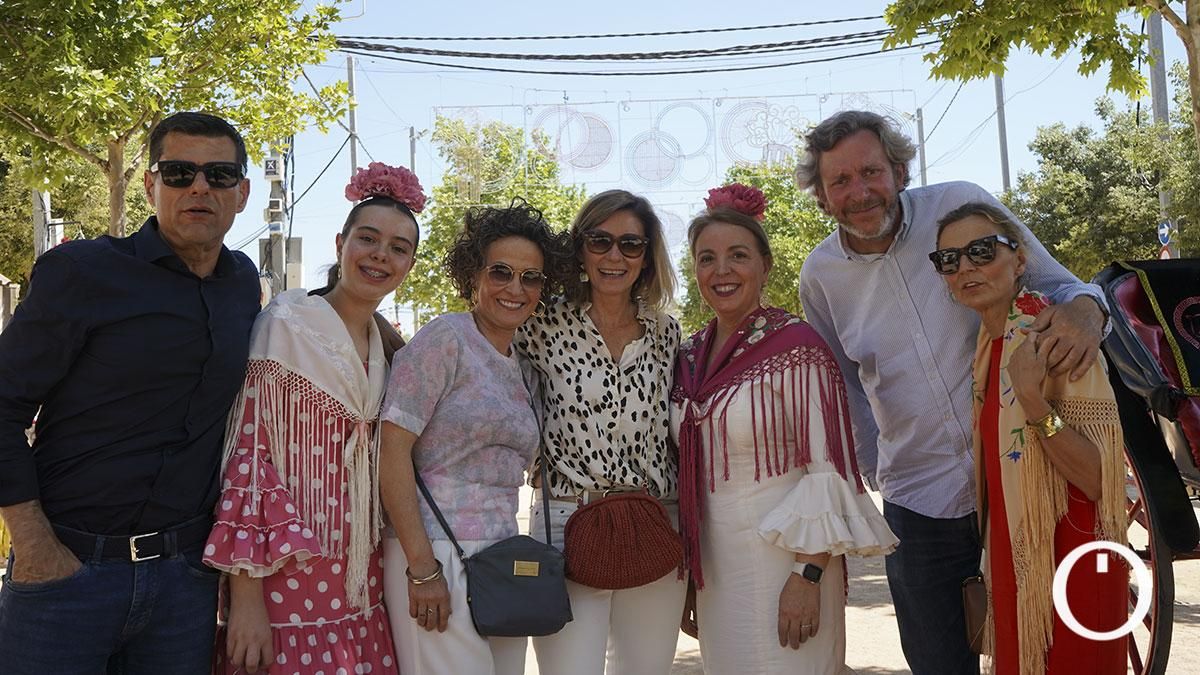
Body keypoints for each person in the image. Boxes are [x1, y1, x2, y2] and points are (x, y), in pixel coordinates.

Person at [796, 110, 1109, 675]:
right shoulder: (819, 276)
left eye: (870, 171)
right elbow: (840, 382)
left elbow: (1058, 283)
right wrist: (876, 468)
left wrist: (1090, 309)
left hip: (1021, 477)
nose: (859, 191)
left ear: (898, 169)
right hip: (917, 499)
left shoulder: (960, 209)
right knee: (938, 663)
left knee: (1042, 652)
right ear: (820, 195)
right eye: (839, 181)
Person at [0, 111, 260, 673]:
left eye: (218, 175)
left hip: (185, 584)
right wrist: (36, 546)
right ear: (149, 184)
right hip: (67, 578)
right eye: (178, 172)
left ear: (241, 193)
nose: (198, 187)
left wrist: (382, 333)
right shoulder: (83, 273)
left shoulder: (244, 285)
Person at [203, 162, 425, 674]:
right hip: (285, 575)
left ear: (410, 264)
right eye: (367, 238)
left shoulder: (387, 348)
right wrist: (247, 599)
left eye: (399, 248)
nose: (380, 255)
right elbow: (249, 462)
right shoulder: (284, 326)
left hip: (359, 574)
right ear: (340, 242)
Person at [670, 184, 897, 675]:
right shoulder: (688, 356)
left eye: (738, 255)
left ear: (765, 266)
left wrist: (808, 573)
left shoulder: (797, 348)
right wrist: (691, 571)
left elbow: (827, 470)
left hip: (786, 568)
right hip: (716, 570)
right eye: (707, 258)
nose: (722, 270)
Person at [932, 202, 1127, 675]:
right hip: (1018, 550)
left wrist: (1033, 402)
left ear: (1020, 260)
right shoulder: (989, 342)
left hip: (1074, 552)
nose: (965, 268)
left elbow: (1101, 478)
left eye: (980, 251)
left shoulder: (1055, 336)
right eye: (949, 260)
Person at [377, 200, 569, 675]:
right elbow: (391, 450)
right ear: (474, 276)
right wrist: (422, 568)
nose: (515, 288)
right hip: (435, 552)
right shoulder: (446, 339)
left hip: (501, 559)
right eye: (501, 272)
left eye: (531, 277)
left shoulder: (524, 366)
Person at [513, 189, 685, 674]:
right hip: (569, 523)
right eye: (600, 241)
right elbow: (486, 366)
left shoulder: (666, 333)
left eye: (631, 244)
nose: (615, 256)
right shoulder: (541, 321)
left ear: (647, 256)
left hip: (654, 521)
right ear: (579, 248)